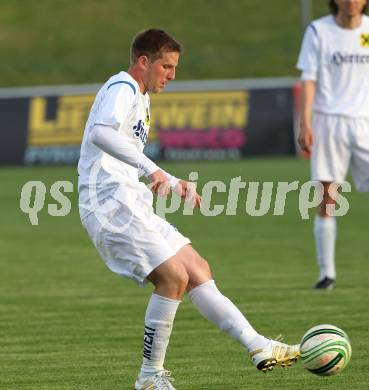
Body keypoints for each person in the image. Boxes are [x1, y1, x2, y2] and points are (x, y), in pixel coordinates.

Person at [78, 28, 300, 390]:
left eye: (175, 67)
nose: (172, 75)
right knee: (173, 278)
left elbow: (120, 150)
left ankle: (258, 345)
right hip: (108, 205)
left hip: (129, 200)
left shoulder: (142, 97)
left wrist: (169, 179)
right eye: (166, 66)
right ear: (143, 61)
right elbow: (100, 133)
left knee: (196, 269)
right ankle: (149, 378)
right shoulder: (124, 87)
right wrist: (154, 170)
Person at [297, 0, 369, 290]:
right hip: (329, 122)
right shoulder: (318, 31)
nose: (351, 1)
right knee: (327, 199)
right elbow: (309, 79)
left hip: (365, 121)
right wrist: (305, 122)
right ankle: (327, 274)